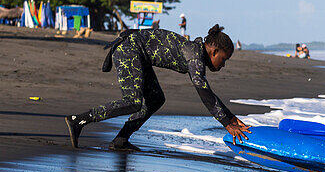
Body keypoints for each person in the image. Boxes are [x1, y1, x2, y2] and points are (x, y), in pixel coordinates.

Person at [65, 24, 251, 151]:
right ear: (214, 51)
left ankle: (121, 140)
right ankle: (78, 120)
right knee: (133, 102)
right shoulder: (195, 56)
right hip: (129, 49)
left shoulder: (196, 53)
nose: (223, 65)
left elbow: (207, 91)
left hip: (140, 55)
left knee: (155, 99)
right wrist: (227, 123)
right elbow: (204, 92)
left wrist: (232, 119)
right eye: (223, 60)